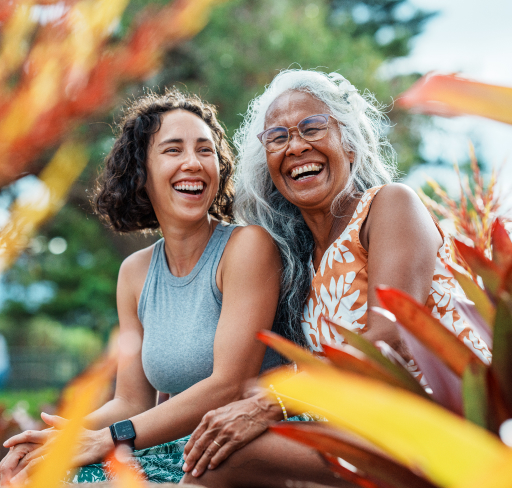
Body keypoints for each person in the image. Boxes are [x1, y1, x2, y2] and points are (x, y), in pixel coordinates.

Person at [180, 69, 491, 487]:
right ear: (266, 161)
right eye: (278, 137)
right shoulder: (299, 261)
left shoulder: (390, 206)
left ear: (350, 142)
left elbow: (386, 338)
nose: (296, 146)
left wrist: (268, 405)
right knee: (215, 448)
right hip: (366, 431)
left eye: (313, 127)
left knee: (225, 459)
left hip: (442, 428)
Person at [0, 88, 284, 485]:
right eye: (173, 150)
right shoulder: (134, 272)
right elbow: (131, 401)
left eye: (205, 150)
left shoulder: (247, 247)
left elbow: (229, 385)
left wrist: (107, 438)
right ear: (142, 173)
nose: (193, 163)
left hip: (235, 453)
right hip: (170, 450)